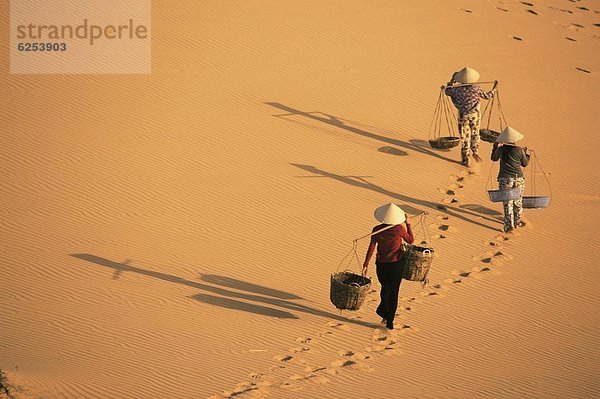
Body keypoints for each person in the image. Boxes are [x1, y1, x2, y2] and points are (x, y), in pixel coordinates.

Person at [362, 203, 414, 330]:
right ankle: (389, 318)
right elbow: (411, 240)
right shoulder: (399, 229)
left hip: (382, 265)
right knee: (393, 291)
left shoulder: (376, 229)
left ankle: (385, 314)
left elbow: (372, 247)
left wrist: (366, 263)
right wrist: (408, 224)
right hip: (396, 265)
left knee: (385, 289)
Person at [445, 67, 497, 166]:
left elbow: (447, 91)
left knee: (465, 136)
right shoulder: (476, 88)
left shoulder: (456, 89)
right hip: (475, 115)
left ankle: (466, 158)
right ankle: (475, 151)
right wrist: (494, 88)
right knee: (475, 133)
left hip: (463, 115)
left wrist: (451, 80)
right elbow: (488, 96)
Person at [491, 126, 530, 233]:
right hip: (519, 179)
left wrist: (495, 147)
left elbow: (493, 158)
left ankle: (509, 225)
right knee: (518, 201)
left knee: (507, 203)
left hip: (505, 179)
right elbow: (525, 163)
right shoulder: (519, 150)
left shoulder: (500, 149)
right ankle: (517, 222)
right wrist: (526, 154)